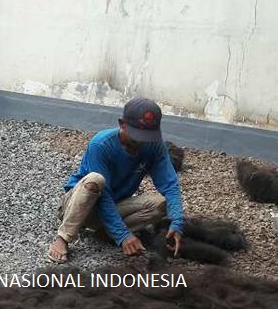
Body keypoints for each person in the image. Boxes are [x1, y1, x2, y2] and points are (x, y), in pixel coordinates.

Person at [47, 98, 185, 263]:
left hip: (114, 205)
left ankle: (104, 233)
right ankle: (62, 238)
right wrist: (123, 235)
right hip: (80, 206)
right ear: (122, 124)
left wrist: (177, 223)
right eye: (137, 135)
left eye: (147, 136)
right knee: (95, 180)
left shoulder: (155, 146)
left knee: (161, 203)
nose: (142, 141)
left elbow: (170, 185)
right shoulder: (101, 145)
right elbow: (103, 196)